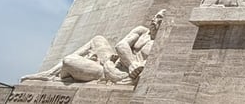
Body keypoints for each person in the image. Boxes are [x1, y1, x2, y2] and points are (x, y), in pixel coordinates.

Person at [21, 11, 165, 84]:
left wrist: (131, 68)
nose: (154, 20)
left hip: (110, 73)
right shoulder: (142, 31)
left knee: (68, 61)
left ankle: (64, 75)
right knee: (98, 39)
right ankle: (49, 73)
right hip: (113, 62)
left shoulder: (161, 43)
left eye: (160, 18)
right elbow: (121, 45)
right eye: (155, 16)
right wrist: (131, 62)